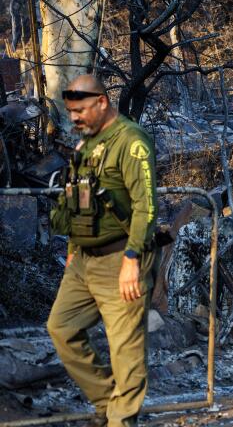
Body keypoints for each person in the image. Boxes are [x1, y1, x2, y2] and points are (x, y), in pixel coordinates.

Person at [47, 74, 158, 427]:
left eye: (80, 110)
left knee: (125, 350)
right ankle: (108, 403)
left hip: (120, 258)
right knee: (61, 328)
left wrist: (132, 259)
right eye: (71, 112)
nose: (75, 118)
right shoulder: (88, 144)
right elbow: (78, 202)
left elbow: (147, 207)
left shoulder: (131, 141)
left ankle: (120, 420)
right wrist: (72, 249)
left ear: (102, 102)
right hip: (83, 260)